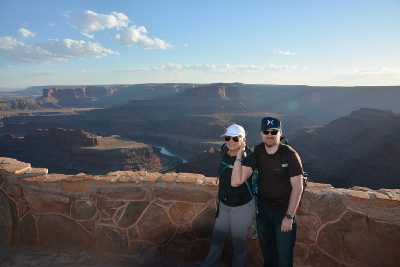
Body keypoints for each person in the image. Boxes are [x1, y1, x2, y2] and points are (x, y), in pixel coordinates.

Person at [202, 124, 256, 267]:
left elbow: (236, 182)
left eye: (235, 138)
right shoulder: (225, 149)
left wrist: (239, 156)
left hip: (242, 206)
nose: (230, 141)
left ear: (243, 139)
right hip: (224, 205)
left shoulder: (249, 158)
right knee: (217, 239)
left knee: (238, 243)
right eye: (227, 137)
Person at [255, 117, 304, 267]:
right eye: (266, 132)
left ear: (280, 133)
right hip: (263, 212)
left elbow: (298, 187)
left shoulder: (290, 155)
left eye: (273, 132)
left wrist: (289, 216)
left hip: (283, 213)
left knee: (284, 257)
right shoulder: (258, 150)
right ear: (261, 133)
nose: (269, 135)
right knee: (267, 252)